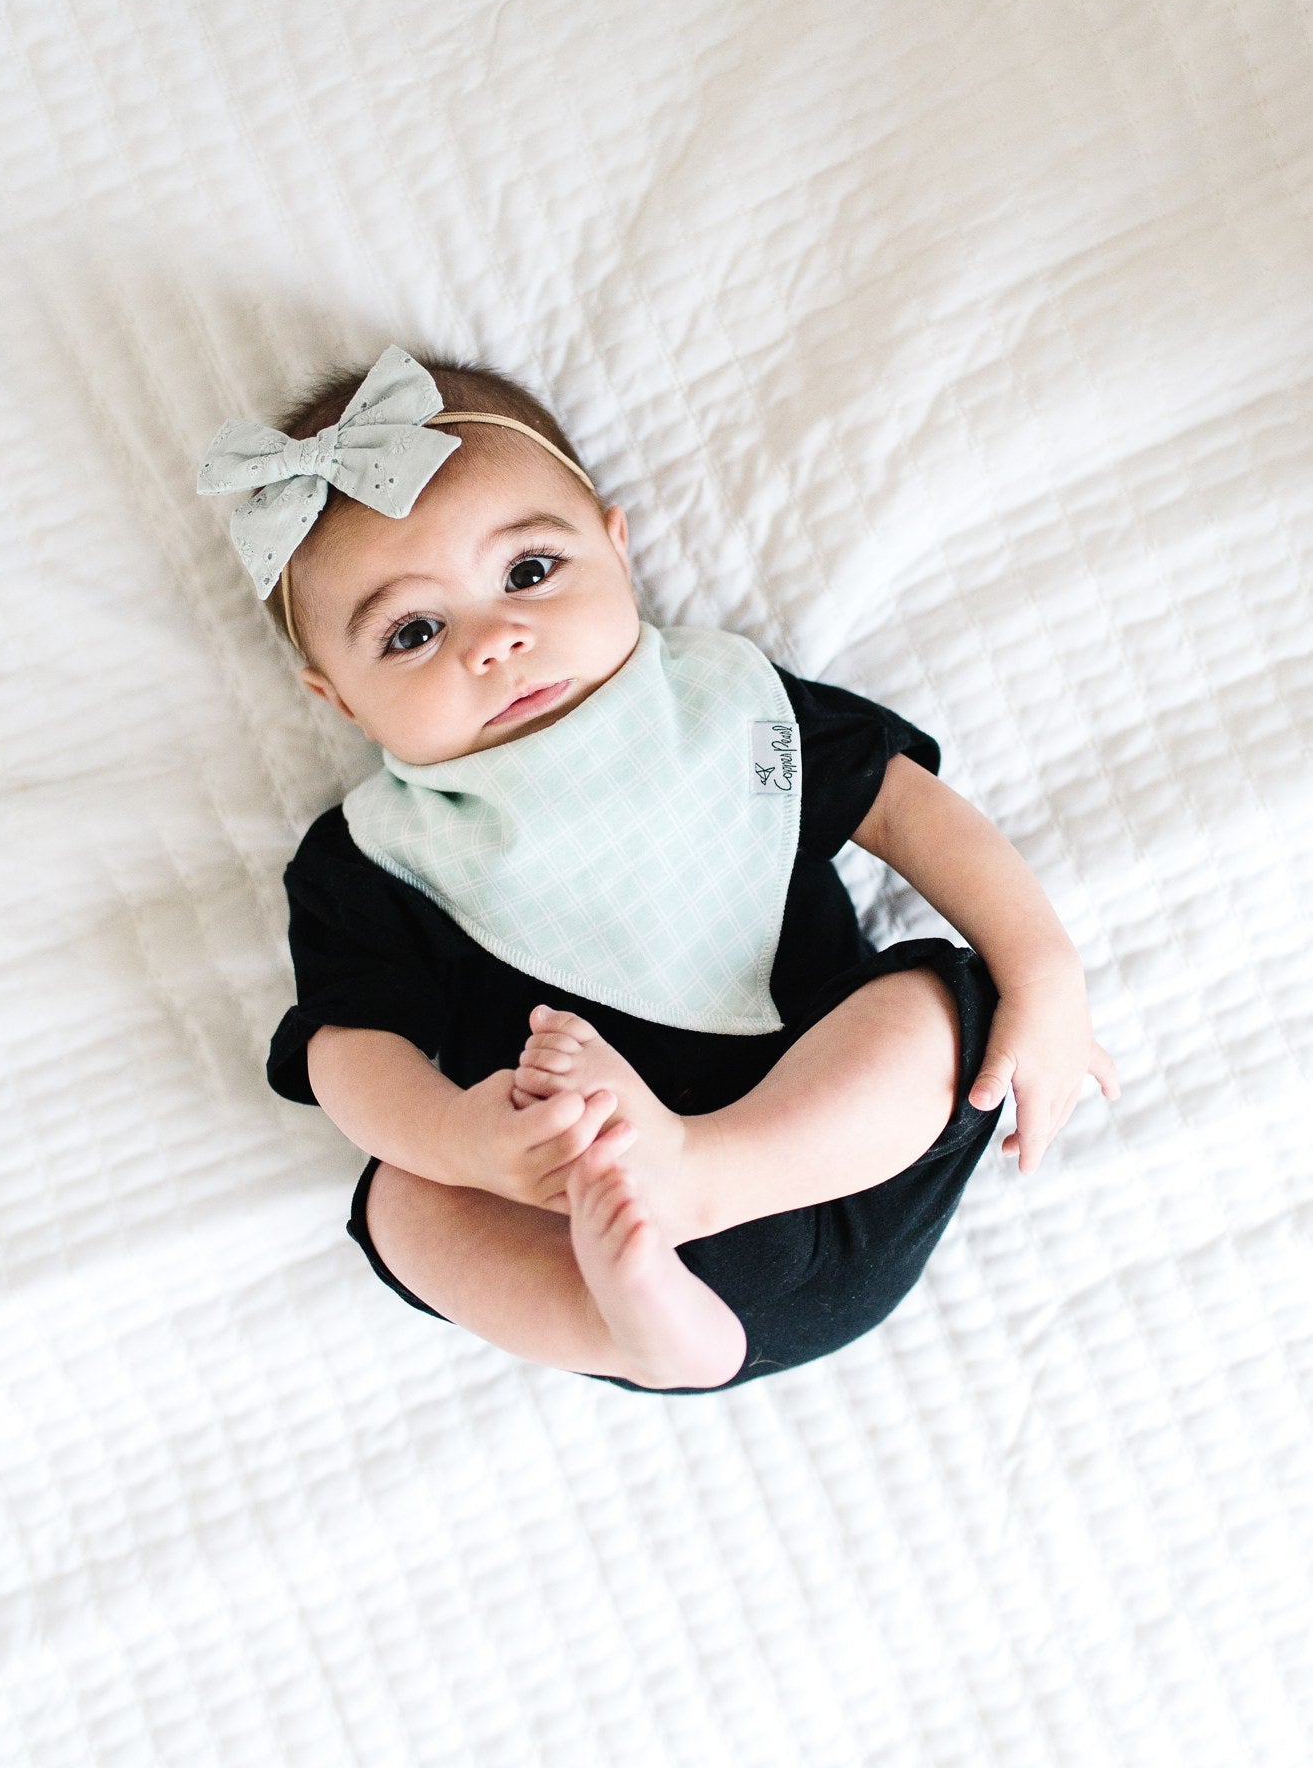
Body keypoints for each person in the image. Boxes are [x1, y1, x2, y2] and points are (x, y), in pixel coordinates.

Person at [199, 345, 1121, 1395]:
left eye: (528, 573)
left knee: (938, 996)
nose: (495, 641)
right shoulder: (378, 855)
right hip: (602, 1231)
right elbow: (348, 1047)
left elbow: (901, 807)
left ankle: (707, 1175)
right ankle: (640, 1332)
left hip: (843, 1160)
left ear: (617, 548)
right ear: (339, 701)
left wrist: (1043, 973)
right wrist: (457, 1141)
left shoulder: (728, 713)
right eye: (413, 632)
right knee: (403, 1198)